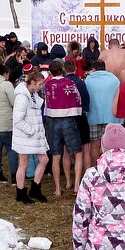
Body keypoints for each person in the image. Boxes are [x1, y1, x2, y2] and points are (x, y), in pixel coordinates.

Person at [44, 59, 84, 197]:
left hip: (52, 119)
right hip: (68, 118)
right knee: (77, 153)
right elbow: (78, 98)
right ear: (63, 69)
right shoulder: (70, 83)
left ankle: (58, 188)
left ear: (50, 71)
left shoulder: (47, 84)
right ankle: (77, 185)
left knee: (56, 155)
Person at [13, 70, 50, 203]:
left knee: (44, 160)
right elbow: (17, 119)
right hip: (26, 136)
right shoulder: (22, 97)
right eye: (40, 84)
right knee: (23, 163)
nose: (42, 87)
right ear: (32, 82)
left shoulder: (32, 94)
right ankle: (21, 192)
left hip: (34, 135)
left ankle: (35, 188)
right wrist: (31, 130)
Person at [84, 59, 120, 164]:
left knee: (94, 145)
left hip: (93, 116)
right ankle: (109, 166)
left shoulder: (88, 80)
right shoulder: (114, 79)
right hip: (111, 117)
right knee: (109, 145)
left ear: (93, 69)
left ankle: (96, 168)